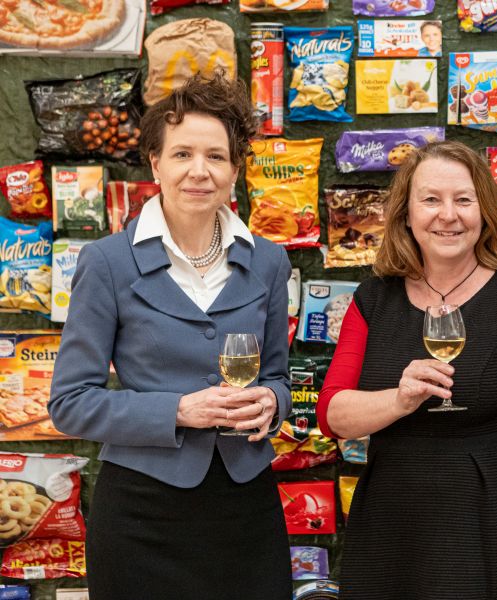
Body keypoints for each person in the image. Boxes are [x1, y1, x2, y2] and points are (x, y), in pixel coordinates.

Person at [49, 72, 293, 600]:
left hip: (245, 505)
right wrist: (178, 410)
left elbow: (278, 376)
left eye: (216, 156)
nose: (199, 172)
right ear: (156, 163)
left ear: (235, 171)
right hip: (141, 513)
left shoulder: (271, 261)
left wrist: (271, 402)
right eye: (182, 154)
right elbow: (70, 403)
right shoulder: (107, 263)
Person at [317, 140, 497, 599]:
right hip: (394, 528)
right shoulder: (373, 301)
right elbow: (333, 414)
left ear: (484, 212)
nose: (448, 215)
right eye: (431, 200)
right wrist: (400, 399)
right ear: (405, 214)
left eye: (463, 200)